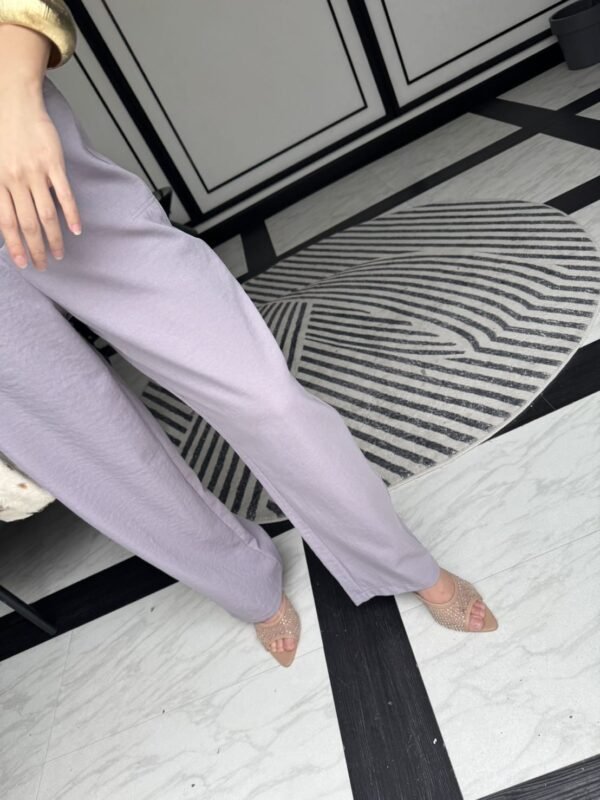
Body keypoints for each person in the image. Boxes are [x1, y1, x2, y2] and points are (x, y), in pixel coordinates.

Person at [0, 0, 497, 668]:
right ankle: (245, 585)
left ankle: (401, 561)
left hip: (16, 138)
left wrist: (13, 99)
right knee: (90, 452)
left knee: (259, 389)